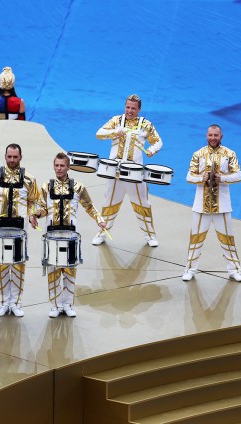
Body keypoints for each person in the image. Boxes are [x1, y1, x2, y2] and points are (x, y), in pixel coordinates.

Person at [34, 152, 106, 318]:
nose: (59, 169)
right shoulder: (46, 186)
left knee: (69, 271)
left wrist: (99, 219)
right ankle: (54, 305)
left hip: (70, 235)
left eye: (62, 165)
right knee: (53, 271)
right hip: (51, 235)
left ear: (68, 167)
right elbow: (42, 208)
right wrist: (35, 215)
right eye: (56, 165)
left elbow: (89, 206)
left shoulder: (78, 187)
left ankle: (67, 304)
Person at [93, 94, 163, 247]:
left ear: (139, 109)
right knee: (109, 202)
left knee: (142, 204)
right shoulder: (116, 120)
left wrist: (151, 150)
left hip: (135, 173)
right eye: (128, 107)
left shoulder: (145, 124)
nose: (130, 110)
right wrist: (114, 132)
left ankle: (150, 236)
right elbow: (99, 134)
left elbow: (158, 141)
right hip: (115, 171)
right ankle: (102, 233)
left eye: (133, 108)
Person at [0, 143, 39, 317]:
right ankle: (3, 302)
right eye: (9, 157)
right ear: (5, 157)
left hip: (20, 228)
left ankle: (16, 303)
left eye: (15, 157)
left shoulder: (29, 178)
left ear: (21, 157)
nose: (12, 160)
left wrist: (33, 215)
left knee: (18, 265)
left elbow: (33, 201)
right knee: (2, 265)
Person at [182, 124, 241, 282]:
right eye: (210, 135)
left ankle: (234, 270)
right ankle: (190, 269)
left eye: (216, 135)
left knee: (228, 239)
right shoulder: (198, 154)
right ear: (206, 135)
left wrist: (221, 178)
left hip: (222, 206)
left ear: (221, 136)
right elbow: (189, 176)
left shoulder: (230, 154)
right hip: (200, 206)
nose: (213, 138)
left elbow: (238, 176)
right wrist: (200, 178)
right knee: (195, 239)